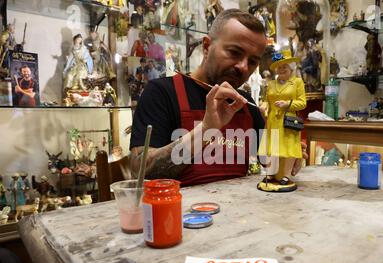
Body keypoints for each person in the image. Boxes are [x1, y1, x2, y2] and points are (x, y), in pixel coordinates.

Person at [130, 9, 307, 186]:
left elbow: (269, 163)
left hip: (239, 209)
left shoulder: (246, 103)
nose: (243, 67)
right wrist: (206, 129)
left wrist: (289, 151)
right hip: (179, 212)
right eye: (234, 52)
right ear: (207, 46)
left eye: (253, 61)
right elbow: (139, 170)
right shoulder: (161, 93)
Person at [257, 49, 306, 192]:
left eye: (284, 66)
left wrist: (288, 104)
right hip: (272, 121)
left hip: (288, 121)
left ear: (291, 67)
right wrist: (263, 106)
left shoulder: (297, 82)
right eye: (279, 66)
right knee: (272, 148)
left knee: (289, 149)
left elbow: (302, 102)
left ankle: (285, 176)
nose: (281, 68)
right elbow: (266, 100)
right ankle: (271, 174)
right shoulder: (271, 84)